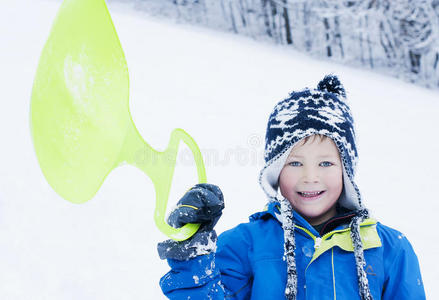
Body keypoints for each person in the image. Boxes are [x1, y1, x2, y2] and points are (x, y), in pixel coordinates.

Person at [157, 75, 426, 299]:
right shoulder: (246, 244)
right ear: (275, 171)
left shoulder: (390, 250)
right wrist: (194, 259)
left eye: (326, 164)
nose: (310, 177)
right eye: (295, 163)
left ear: (346, 171)